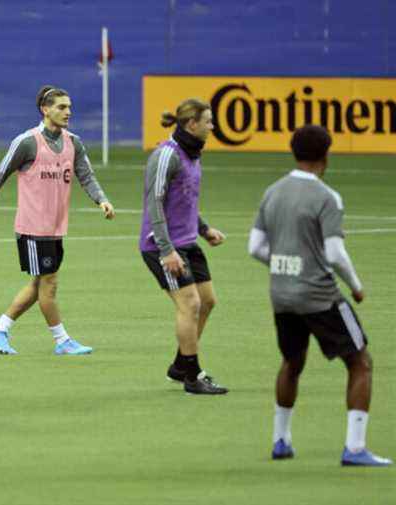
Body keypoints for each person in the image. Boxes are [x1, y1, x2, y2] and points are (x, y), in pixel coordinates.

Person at [248, 125, 391, 466]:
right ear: (326, 155)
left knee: (292, 362)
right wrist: (355, 286)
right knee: (360, 362)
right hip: (320, 297)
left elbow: (255, 247)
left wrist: (286, 264)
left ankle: (281, 441)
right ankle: (355, 448)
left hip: (281, 295)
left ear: (293, 151)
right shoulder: (328, 197)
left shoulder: (273, 192)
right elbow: (335, 253)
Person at [0, 85, 115, 355]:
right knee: (49, 285)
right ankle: (62, 340)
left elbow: (86, 176)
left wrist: (101, 199)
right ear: (45, 110)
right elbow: (0, 175)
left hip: (56, 228)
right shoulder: (27, 142)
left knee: (38, 285)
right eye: (61, 107)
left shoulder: (74, 143)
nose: (68, 112)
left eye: (69, 107)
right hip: (33, 229)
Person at [139, 98, 228, 395]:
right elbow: (155, 204)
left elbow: (185, 199)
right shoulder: (166, 156)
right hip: (161, 246)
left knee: (208, 301)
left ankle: (180, 364)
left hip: (187, 242)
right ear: (192, 124)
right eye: (208, 121)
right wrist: (166, 251)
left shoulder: (193, 154)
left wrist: (204, 229)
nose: (212, 126)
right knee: (189, 304)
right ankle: (191, 376)